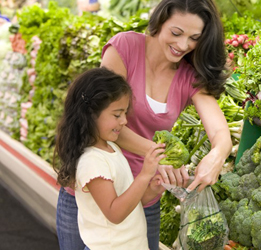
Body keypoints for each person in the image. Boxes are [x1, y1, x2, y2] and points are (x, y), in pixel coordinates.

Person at [55, 0, 232, 249]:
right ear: (160, 21)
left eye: (194, 38)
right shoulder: (125, 47)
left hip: (144, 192)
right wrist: (159, 156)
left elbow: (220, 131)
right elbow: (102, 120)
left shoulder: (190, 76)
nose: (183, 45)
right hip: (91, 190)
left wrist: (217, 156)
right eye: (176, 33)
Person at [53, 67, 166, 250]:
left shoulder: (111, 148)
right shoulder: (92, 162)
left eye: (124, 113)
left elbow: (128, 205)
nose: (124, 121)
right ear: (90, 114)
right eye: (117, 114)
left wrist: (152, 190)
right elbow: (115, 213)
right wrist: (144, 175)